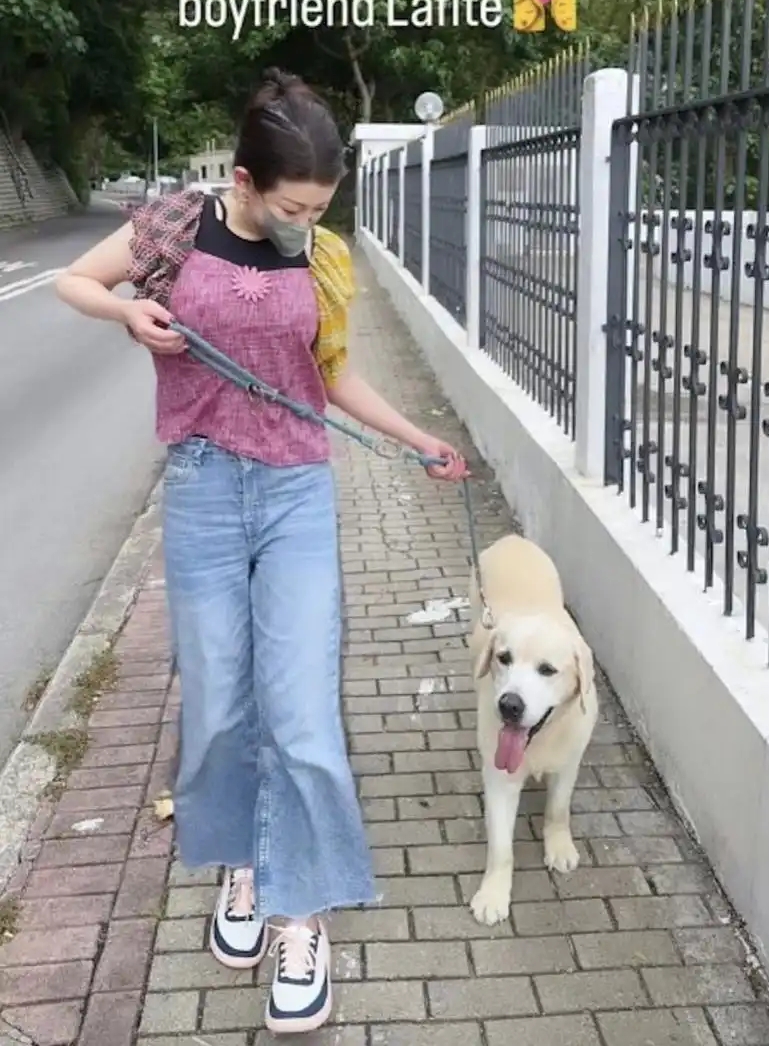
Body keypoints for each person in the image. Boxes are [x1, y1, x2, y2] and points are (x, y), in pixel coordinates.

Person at [55, 68, 467, 1035]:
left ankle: (301, 914)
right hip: (201, 488)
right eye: (292, 207)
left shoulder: (321, 258)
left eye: (319, 209)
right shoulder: (174, 225)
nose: (305, 224)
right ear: (243, 182)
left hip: (294, 494)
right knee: (220, 707)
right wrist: (128, 313)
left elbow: (334, 378)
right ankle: (243, 864)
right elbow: (78, 281)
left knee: (304, 714)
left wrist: (421, 440)